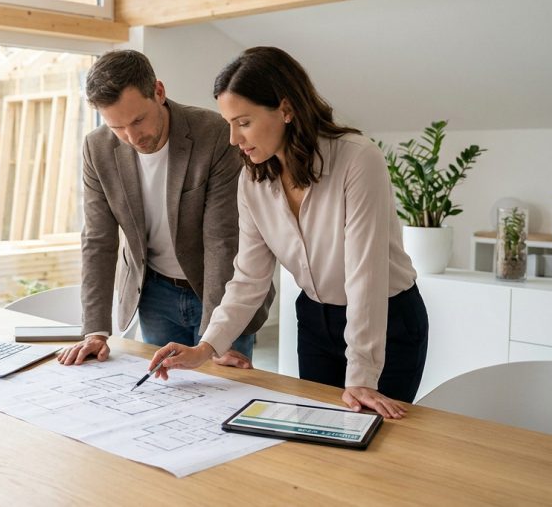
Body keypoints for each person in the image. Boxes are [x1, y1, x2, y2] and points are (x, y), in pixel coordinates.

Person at [149, 47, 428, 419]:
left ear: (285, 109)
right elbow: (249, 278)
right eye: (228, 122)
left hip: (387, 319)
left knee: (374, 443)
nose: (233, 138)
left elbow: (365, 275)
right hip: (314, 319)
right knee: (316, 438)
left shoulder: (358, 160)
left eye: (243, 122)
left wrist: (361, 374)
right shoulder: (252, 180)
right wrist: (206, 348)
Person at [57, 50, 274, 368]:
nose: (132, 138)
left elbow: (222, 240)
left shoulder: (214, 134)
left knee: (221, 393)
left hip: (220, 290)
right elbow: (98, 240)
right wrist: (95, 332)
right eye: (117, 127)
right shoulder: (97, 147)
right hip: (154, 293)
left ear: (158, 92)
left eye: (138, 120)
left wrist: (215, 341)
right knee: (165, 394)